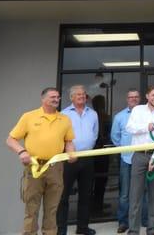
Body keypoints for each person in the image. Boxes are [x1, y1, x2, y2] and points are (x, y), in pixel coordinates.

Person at [6, 87, 76, 235]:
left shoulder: (64, 119)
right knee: (31, 207)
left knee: (52, 208)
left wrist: (71, 153)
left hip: (55, 167)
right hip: (34, 167)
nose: (56, 99)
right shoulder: (29, 117)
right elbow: (11, 140)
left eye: (58, 97)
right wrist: (22, 151)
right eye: (52, 97)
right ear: (43, 99)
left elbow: (69, 141)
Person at [126, 85, 154, 235]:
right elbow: (129, 128)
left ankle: (152, 229)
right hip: (138, 156)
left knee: (153, 196)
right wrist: (146, 127)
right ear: (147, 96)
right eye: (153, 95)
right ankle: (133, 230)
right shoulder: (137, 110)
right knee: (135, 196)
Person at [57, 85, 99, 235]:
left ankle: (82, 227)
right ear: (72, 97)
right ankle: (61, 230)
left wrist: (87, 146)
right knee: (63, 196)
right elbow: (60, 136)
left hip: (87, 158)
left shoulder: (93, 114)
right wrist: (70, 151)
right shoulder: (63, 114)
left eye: (83, 94)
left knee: (86, 195)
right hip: (69, 159)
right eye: (78, 94)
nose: (82, 96)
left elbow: (94, 134)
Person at [111, 89, 148, 233]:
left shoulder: (146, 115)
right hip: (127, 159)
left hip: (143, 159)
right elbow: (115, 137)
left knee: (143, 191)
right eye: (130, 97)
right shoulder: (119, 117)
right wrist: (125, 150)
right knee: (125, 193)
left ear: (140, 99)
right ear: (127, 99)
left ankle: (144, 219)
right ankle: (123, 222)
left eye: (136, 97)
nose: (133, 99)